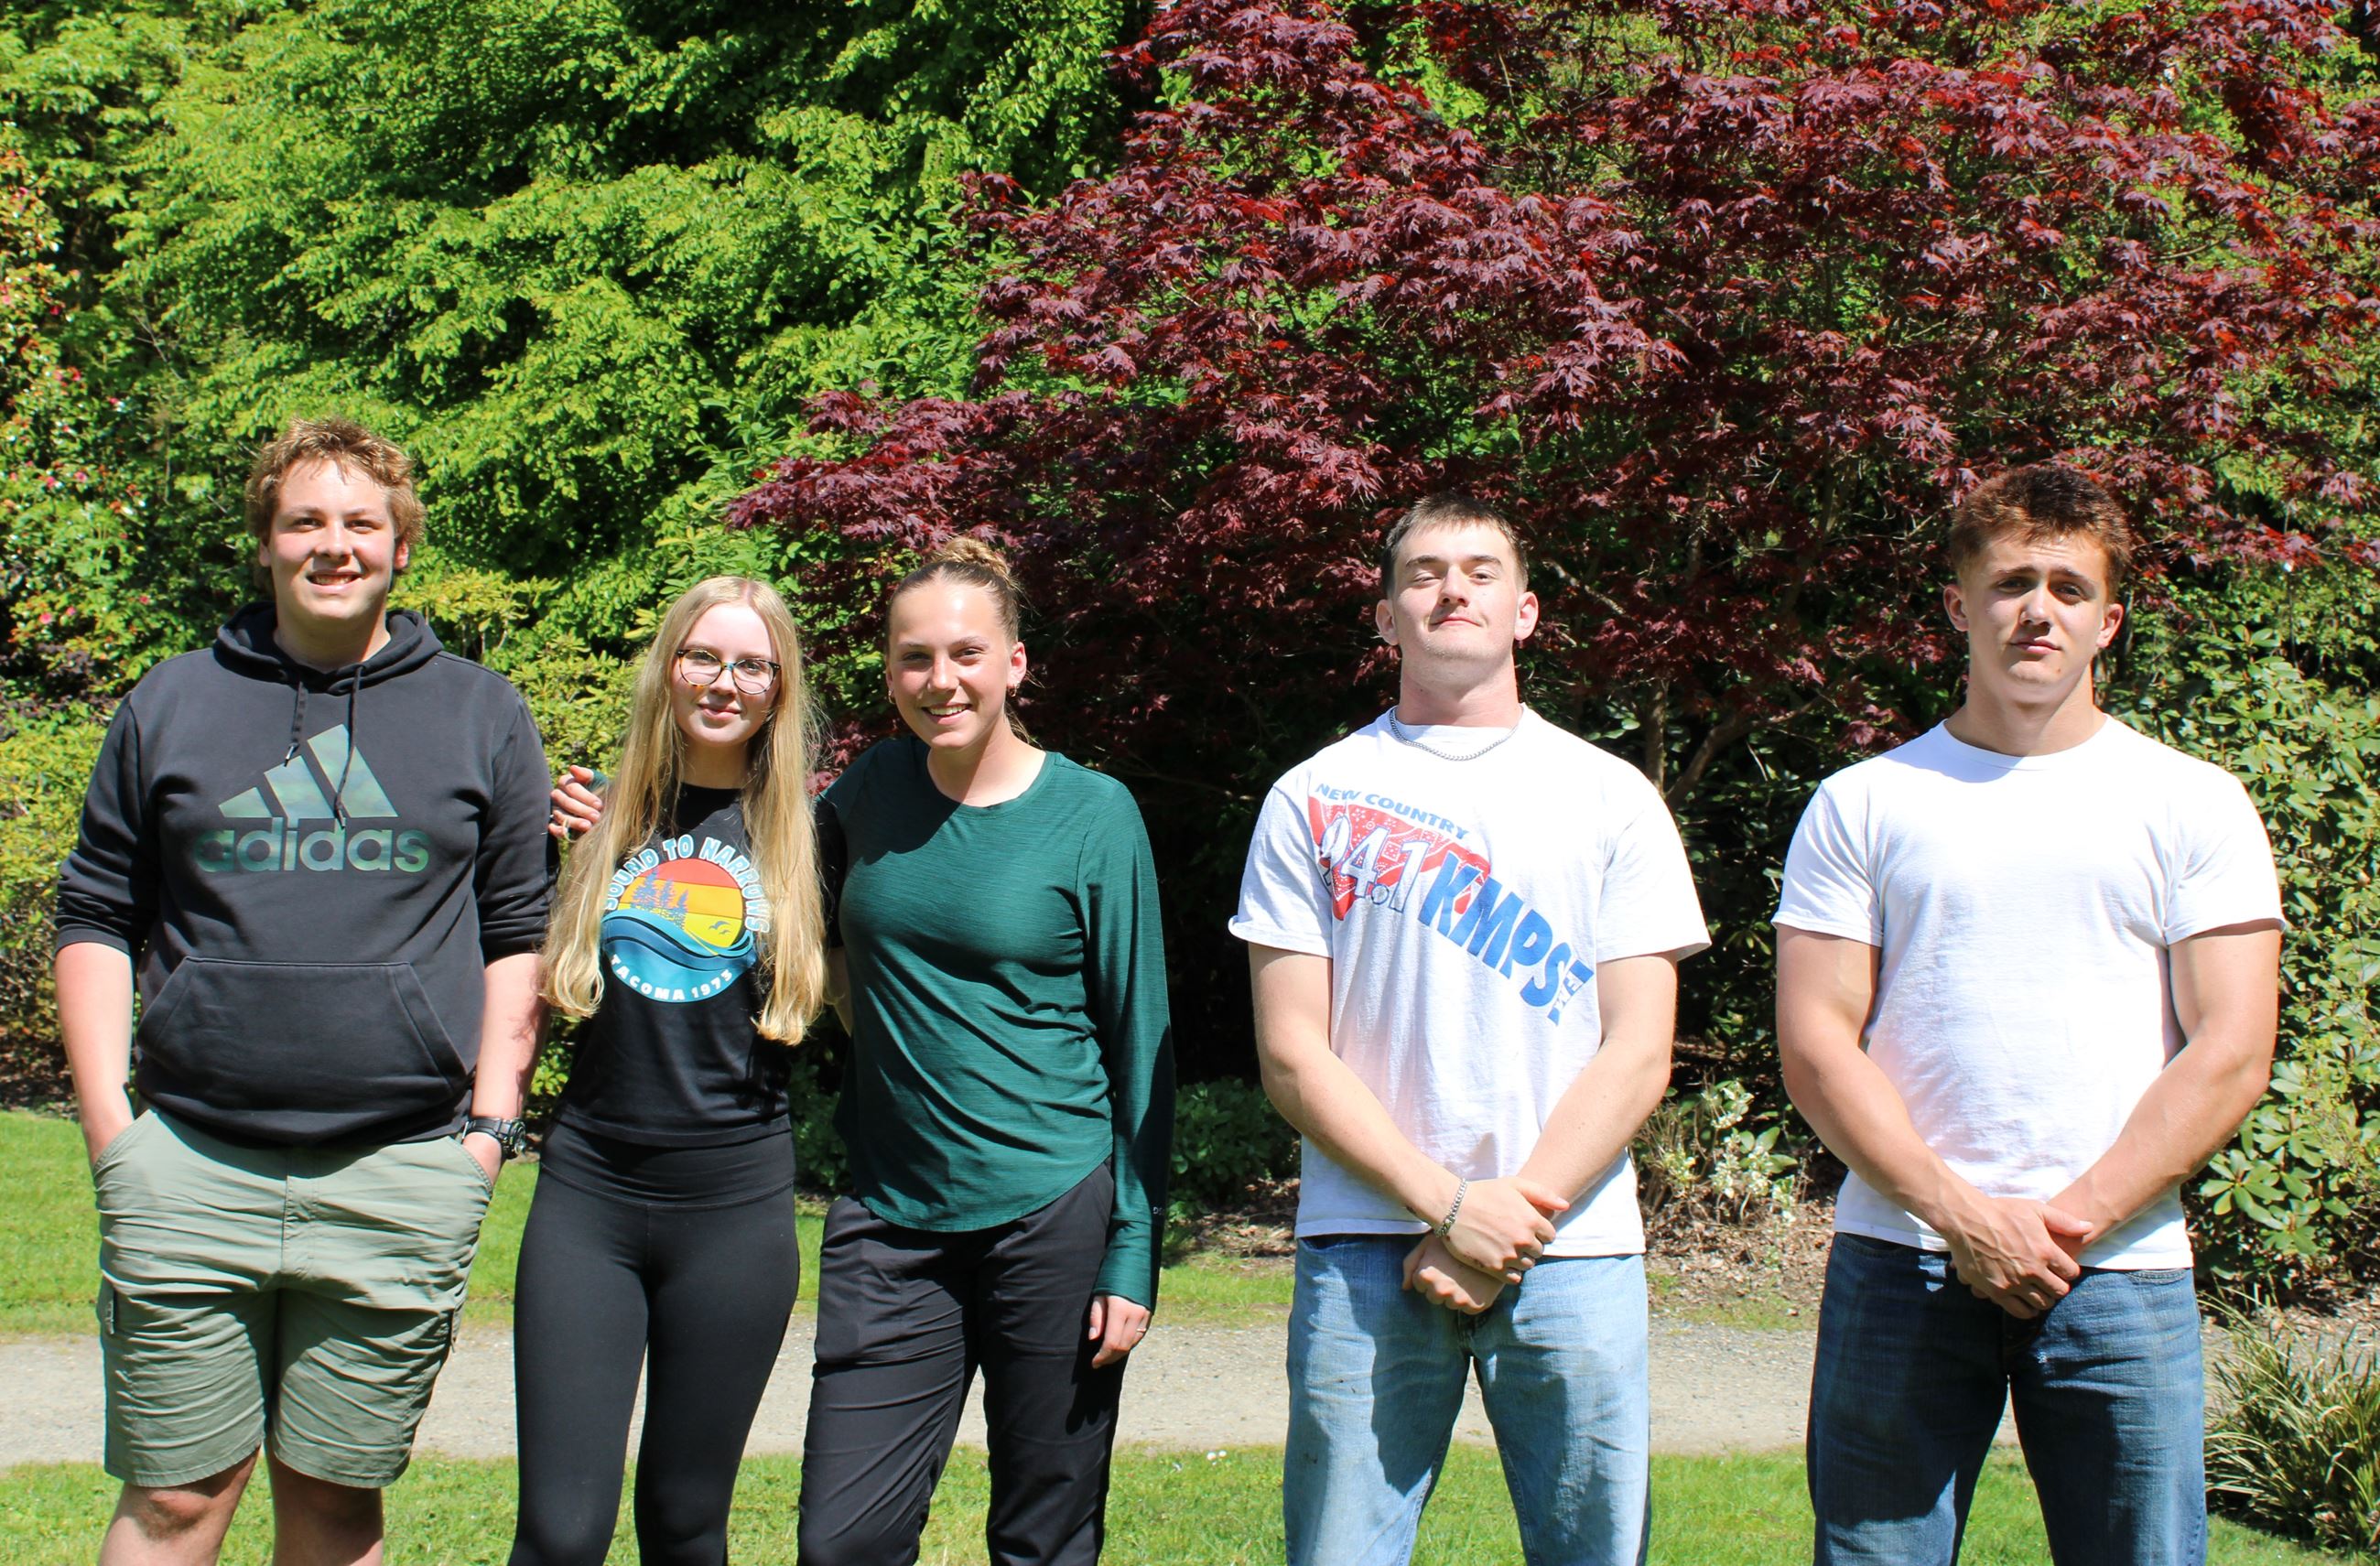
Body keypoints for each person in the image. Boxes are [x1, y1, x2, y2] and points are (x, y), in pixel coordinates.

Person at [550, 536, 1174, 1565]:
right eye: (914, 658)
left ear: (1014, 662)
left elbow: (1140, 1042)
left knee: (1043, 1534)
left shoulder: (1092, 814)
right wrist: (620, 822)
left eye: (966, 654)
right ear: (888, 673)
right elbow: (744, 862)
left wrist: (1132, 1245)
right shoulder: (868, 793)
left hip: (1052, 1207)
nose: (941, 680)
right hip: (889, 1218)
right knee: (843, 1541)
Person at [54, 416, 552, 1566]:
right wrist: (110, 1132)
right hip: (189, 1164)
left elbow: (516, 931)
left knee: (335, 1506)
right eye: (305, 522)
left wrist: (485, 1131)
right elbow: (94, 914)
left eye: (360, 522)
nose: (335, 545)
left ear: (401, 545)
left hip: (398, 1171)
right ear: (266, 544)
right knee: (175, 1500)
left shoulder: (482, 713)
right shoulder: (171, 702)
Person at [1773, 464, 2285, 1565]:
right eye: (2009, 582)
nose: (2035, 609)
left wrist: (2062, 1225)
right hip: (1901, 1255)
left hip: (2118, 1267)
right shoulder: (1863, 802)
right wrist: (1961, 1215)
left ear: (2108, 619)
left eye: (2065, 586)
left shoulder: (2191, 802)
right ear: (1958, 604)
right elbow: (1816, 1046)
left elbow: (2233, 1048)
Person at [1230, 493, 1709, 1566]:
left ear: (1525, 611)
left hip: (1572, 1243)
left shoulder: (1611, 796)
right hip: (1363, 1240)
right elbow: (1290, 1054)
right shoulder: (1311, 796)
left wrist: (1508, 1219)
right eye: (1423, 572)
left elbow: (1637, 1047)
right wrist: (1446, 1205)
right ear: (1385, 617)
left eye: (1481, 571)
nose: (1452, 589)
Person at [507, 577, 829, 1564]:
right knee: (560, 1532)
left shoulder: (812, 838)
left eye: (750, 664)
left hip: (733, 1208)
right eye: (703, 656)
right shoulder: (590, 820)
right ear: (668, 668)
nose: (723, 681)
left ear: (778, 688)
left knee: (686, 1523)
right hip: (588, 1196)